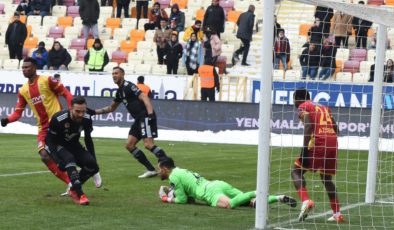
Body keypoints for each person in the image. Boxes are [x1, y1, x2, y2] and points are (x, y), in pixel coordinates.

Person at [0, 58, 72, 194]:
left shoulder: (47, 80)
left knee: (65, 154)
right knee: (44, 155)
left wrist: (71, 111)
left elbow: (66, 94)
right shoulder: (23, 90)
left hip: (58, 124)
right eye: (23, 68)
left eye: (27, 67)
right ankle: (70, 183)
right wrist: (7, 120)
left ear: (34, 68)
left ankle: (88, 170)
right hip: (43, 128)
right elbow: (18, 112)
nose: (24, 70)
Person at [92, 67, 168, 178]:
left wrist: (150, 114)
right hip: (138, 119)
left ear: (122, 74)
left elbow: (145, 98)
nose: (114, 75)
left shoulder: (129, 86)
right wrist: (93, 112)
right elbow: (111, 108)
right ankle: (151, 170)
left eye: (116, 73)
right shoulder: (119, 92)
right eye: (113, 73)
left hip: (145, 116)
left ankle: (169, 166)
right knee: (129, 145)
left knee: (148, 144)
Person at [157, 157, 297, 209]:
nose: (158, 172)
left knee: (229, 204)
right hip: (217, 184)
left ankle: (255, 191)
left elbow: (182, 200)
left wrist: (166, 198)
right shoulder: (180, 171)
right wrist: (171, 191)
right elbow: (189, 197)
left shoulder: (173, 177)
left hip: (210, 192)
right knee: (251, 203)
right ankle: (279, 198)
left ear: (165, 168)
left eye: (159, 169)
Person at [292, 88, 343, 223]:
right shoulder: (323, 107)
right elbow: (336, 128)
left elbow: (308, 125)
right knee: (326, 178)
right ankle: (337, 214)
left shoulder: (304, 106)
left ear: (297, 99)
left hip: (319, 142)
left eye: (294, 100)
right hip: (332, 141)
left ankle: (306, 200)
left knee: (296, 171)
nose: (294, 103)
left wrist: (304, 148)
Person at [46, 96, 100, 205]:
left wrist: (93, 158)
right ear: (70, 108)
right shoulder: (59, 118)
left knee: (92, 165)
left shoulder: (87, 118)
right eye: (77, 111)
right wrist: (56, 160)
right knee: (69, 160)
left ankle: (73, 188)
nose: (81, 114)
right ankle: (80, 194)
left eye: (83, 111)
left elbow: (88, 138)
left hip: (74, 144)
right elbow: (49, 140)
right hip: (57, 144)